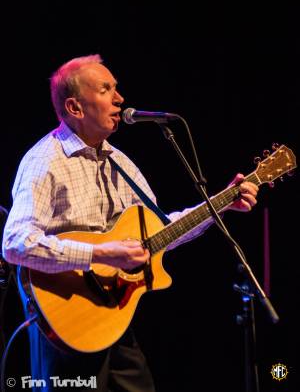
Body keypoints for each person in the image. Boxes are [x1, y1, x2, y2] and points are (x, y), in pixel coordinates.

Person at [2, 54, 258, 392]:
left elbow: (160, 232)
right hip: (65, 324)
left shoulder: (120, 162)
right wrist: (102, 255)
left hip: (114, 319)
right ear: (76, 108)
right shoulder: (43, 162)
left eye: (116, 88)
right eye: (106, 89)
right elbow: (16, 244)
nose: (120, 99)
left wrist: (222, 203)